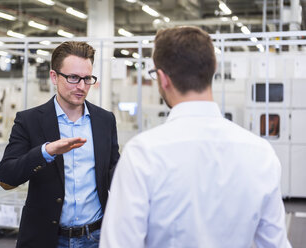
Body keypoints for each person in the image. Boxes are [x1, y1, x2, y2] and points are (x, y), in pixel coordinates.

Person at [99, 27, 291, 248]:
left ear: (163, 78)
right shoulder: (260, 153)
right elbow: (275, 244)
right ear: (213, 69)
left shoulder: (143, 153)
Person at [0, 41, 120, 248]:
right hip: (47, 238)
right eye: (73, 78)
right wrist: (46, 151)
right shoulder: (29, 121)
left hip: (96, 237)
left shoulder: (104, 120)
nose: (81, 86)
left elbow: (114, 172)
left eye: (87, 78)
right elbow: (6, 176)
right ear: (54, 77)